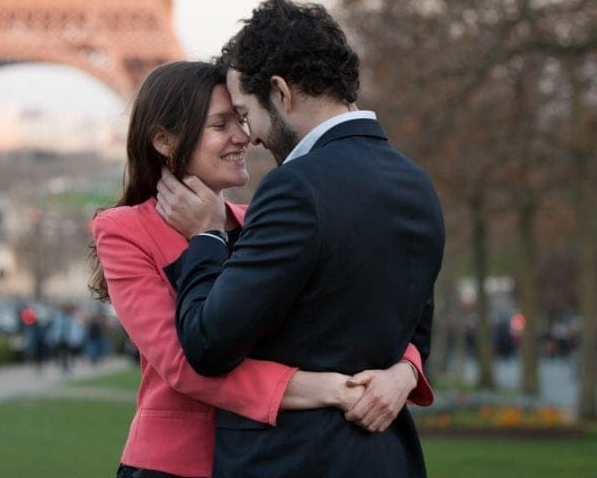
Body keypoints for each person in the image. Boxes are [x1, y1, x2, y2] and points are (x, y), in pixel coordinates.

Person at [92, 60, 434, 478]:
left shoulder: (267, 218)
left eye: (240, 119)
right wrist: (326, 389)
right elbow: (183, 363)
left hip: (269, 457)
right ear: (164, 140)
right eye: (220, 125)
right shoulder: (125, 230)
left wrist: (405, 370)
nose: (244, 136)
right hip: (176, 465)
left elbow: (363, 305)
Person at [159, 0, 445, 477]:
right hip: (386, 458)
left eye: (247, 114)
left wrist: (206, 236)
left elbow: (208, 344)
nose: (248, 136)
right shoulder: (417, 185)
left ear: (281, 92)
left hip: (292, 460)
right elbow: (416, 331)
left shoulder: (295, 188)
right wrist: (404, 372)